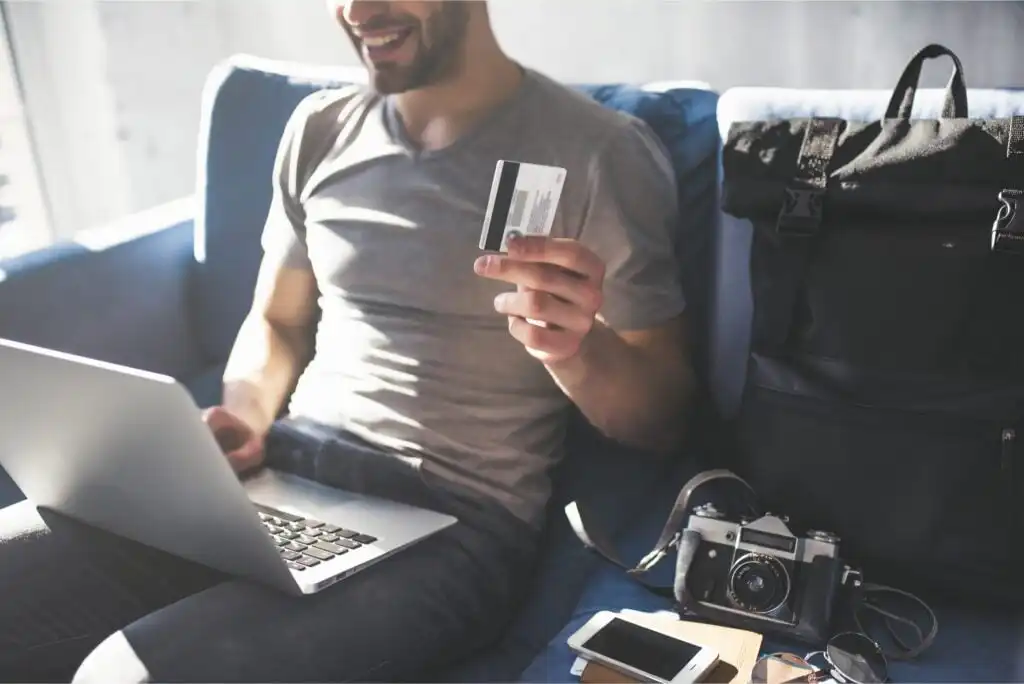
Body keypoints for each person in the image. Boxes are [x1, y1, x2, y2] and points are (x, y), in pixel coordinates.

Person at [0, 1, 695, 681]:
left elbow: (661, 422)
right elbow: (278, 321)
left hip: (453, 524)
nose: (357, 9)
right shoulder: (320, 127)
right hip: (283, 475)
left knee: (130, 674)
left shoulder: (601, 149)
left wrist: (575, 349)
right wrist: (243, 415)